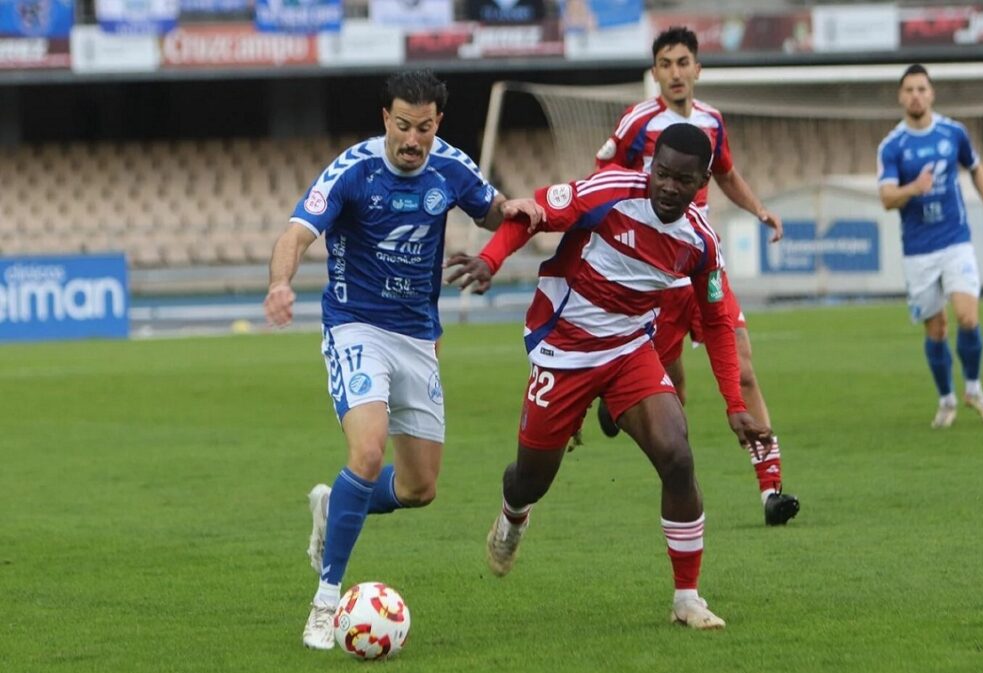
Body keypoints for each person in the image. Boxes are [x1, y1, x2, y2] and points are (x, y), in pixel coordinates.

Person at [446, 123, 772, 630]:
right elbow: (531, 212)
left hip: (628, 351)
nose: (667, 186)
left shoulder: (701, 243)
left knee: (678, 456)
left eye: (681, 180)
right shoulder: (610, 192)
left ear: (701, 182)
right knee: (532, 478)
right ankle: (513, 515)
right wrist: (490, 260)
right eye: (660, 173)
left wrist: (735, 404)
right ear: (650, 166)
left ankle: (687, 598)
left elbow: (716, 322)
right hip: (564, 349)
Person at [262, 69, 542, 650]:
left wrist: (513, 208)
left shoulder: (450, 167)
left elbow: (492, 210)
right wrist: (280, 285)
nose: (412, 140)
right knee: (366, 452)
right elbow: (294, 234)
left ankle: (332, 506)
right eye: (402, 126)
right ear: (385, 119)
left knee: (420, 488)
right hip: (355, 325)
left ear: (437, 124)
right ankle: (325, 599)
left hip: (418, 337)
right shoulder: (353, 170)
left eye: (424, 128)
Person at [593, 26, 799, 526]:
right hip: (652, 279)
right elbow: (604, 179)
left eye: (684, 62)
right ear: (655, 72)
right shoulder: (637, 121)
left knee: (743, 367)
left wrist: (758, 209)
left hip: (704, 269)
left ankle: (771, 489)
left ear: (698, 68)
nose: (676, 72)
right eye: (666, 64)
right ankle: (635, 420)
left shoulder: (711, 121)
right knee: (670, 387)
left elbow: (726, 173)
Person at [877, 64, 983, 428]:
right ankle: (947, 398)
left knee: (968, 316)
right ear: (901, 97)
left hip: (955, 240)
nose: (916, 95)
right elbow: (886, 198)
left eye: (922, 89)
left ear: (931, 94)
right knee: (936, 330)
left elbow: (977, 168)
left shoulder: (954, 133)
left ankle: (975, 389)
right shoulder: (893, 146)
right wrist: (912, 189)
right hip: (918, 250)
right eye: (909, 90)